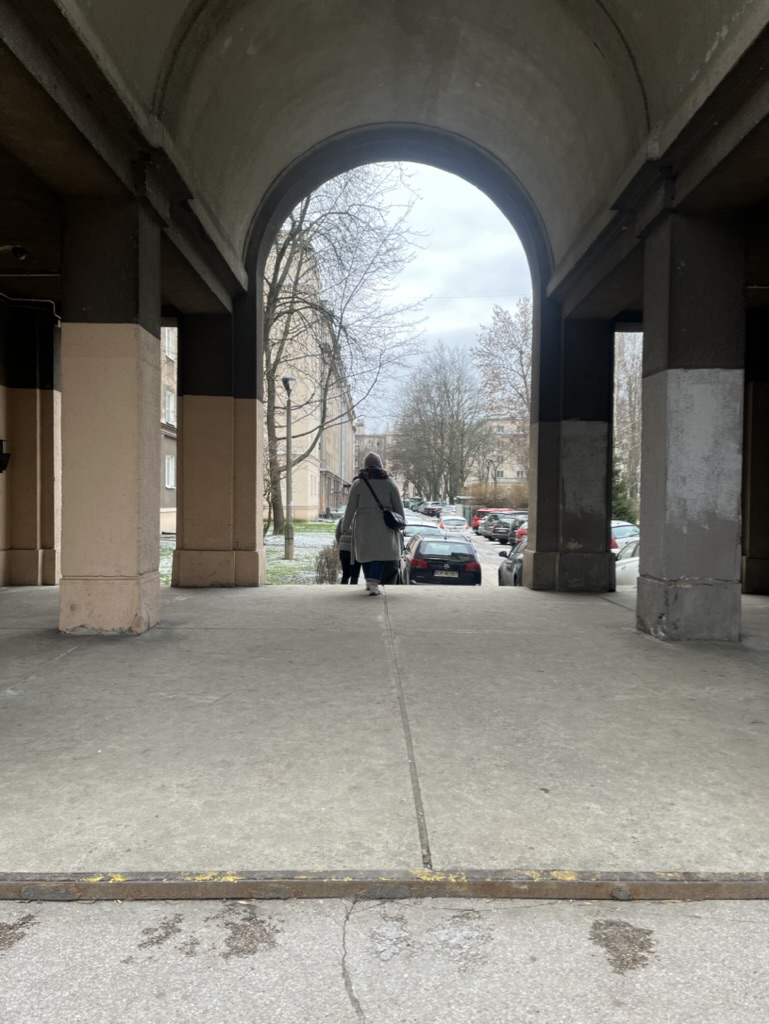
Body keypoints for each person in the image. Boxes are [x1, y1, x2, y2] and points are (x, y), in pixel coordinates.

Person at [341, 452, 405, 596]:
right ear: (380, 464)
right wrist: (401, 522)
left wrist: (346, 526)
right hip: (384, 524)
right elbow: (398, 506)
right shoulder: (389, 482)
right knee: (379, 554)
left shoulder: (358, 483)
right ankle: (373, 582)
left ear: (365, 466)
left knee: (366, 554)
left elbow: (350, 507)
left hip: (363, 525)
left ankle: (371, 582)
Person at [334, 517, 360, 585]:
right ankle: (353, 591)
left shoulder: (342, 519)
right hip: (356, 551)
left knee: (345, 574)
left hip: (344, 550)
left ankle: (343, 589)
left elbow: (337, 534)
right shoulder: (360, 519)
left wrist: (340, 545)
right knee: (355, 575)